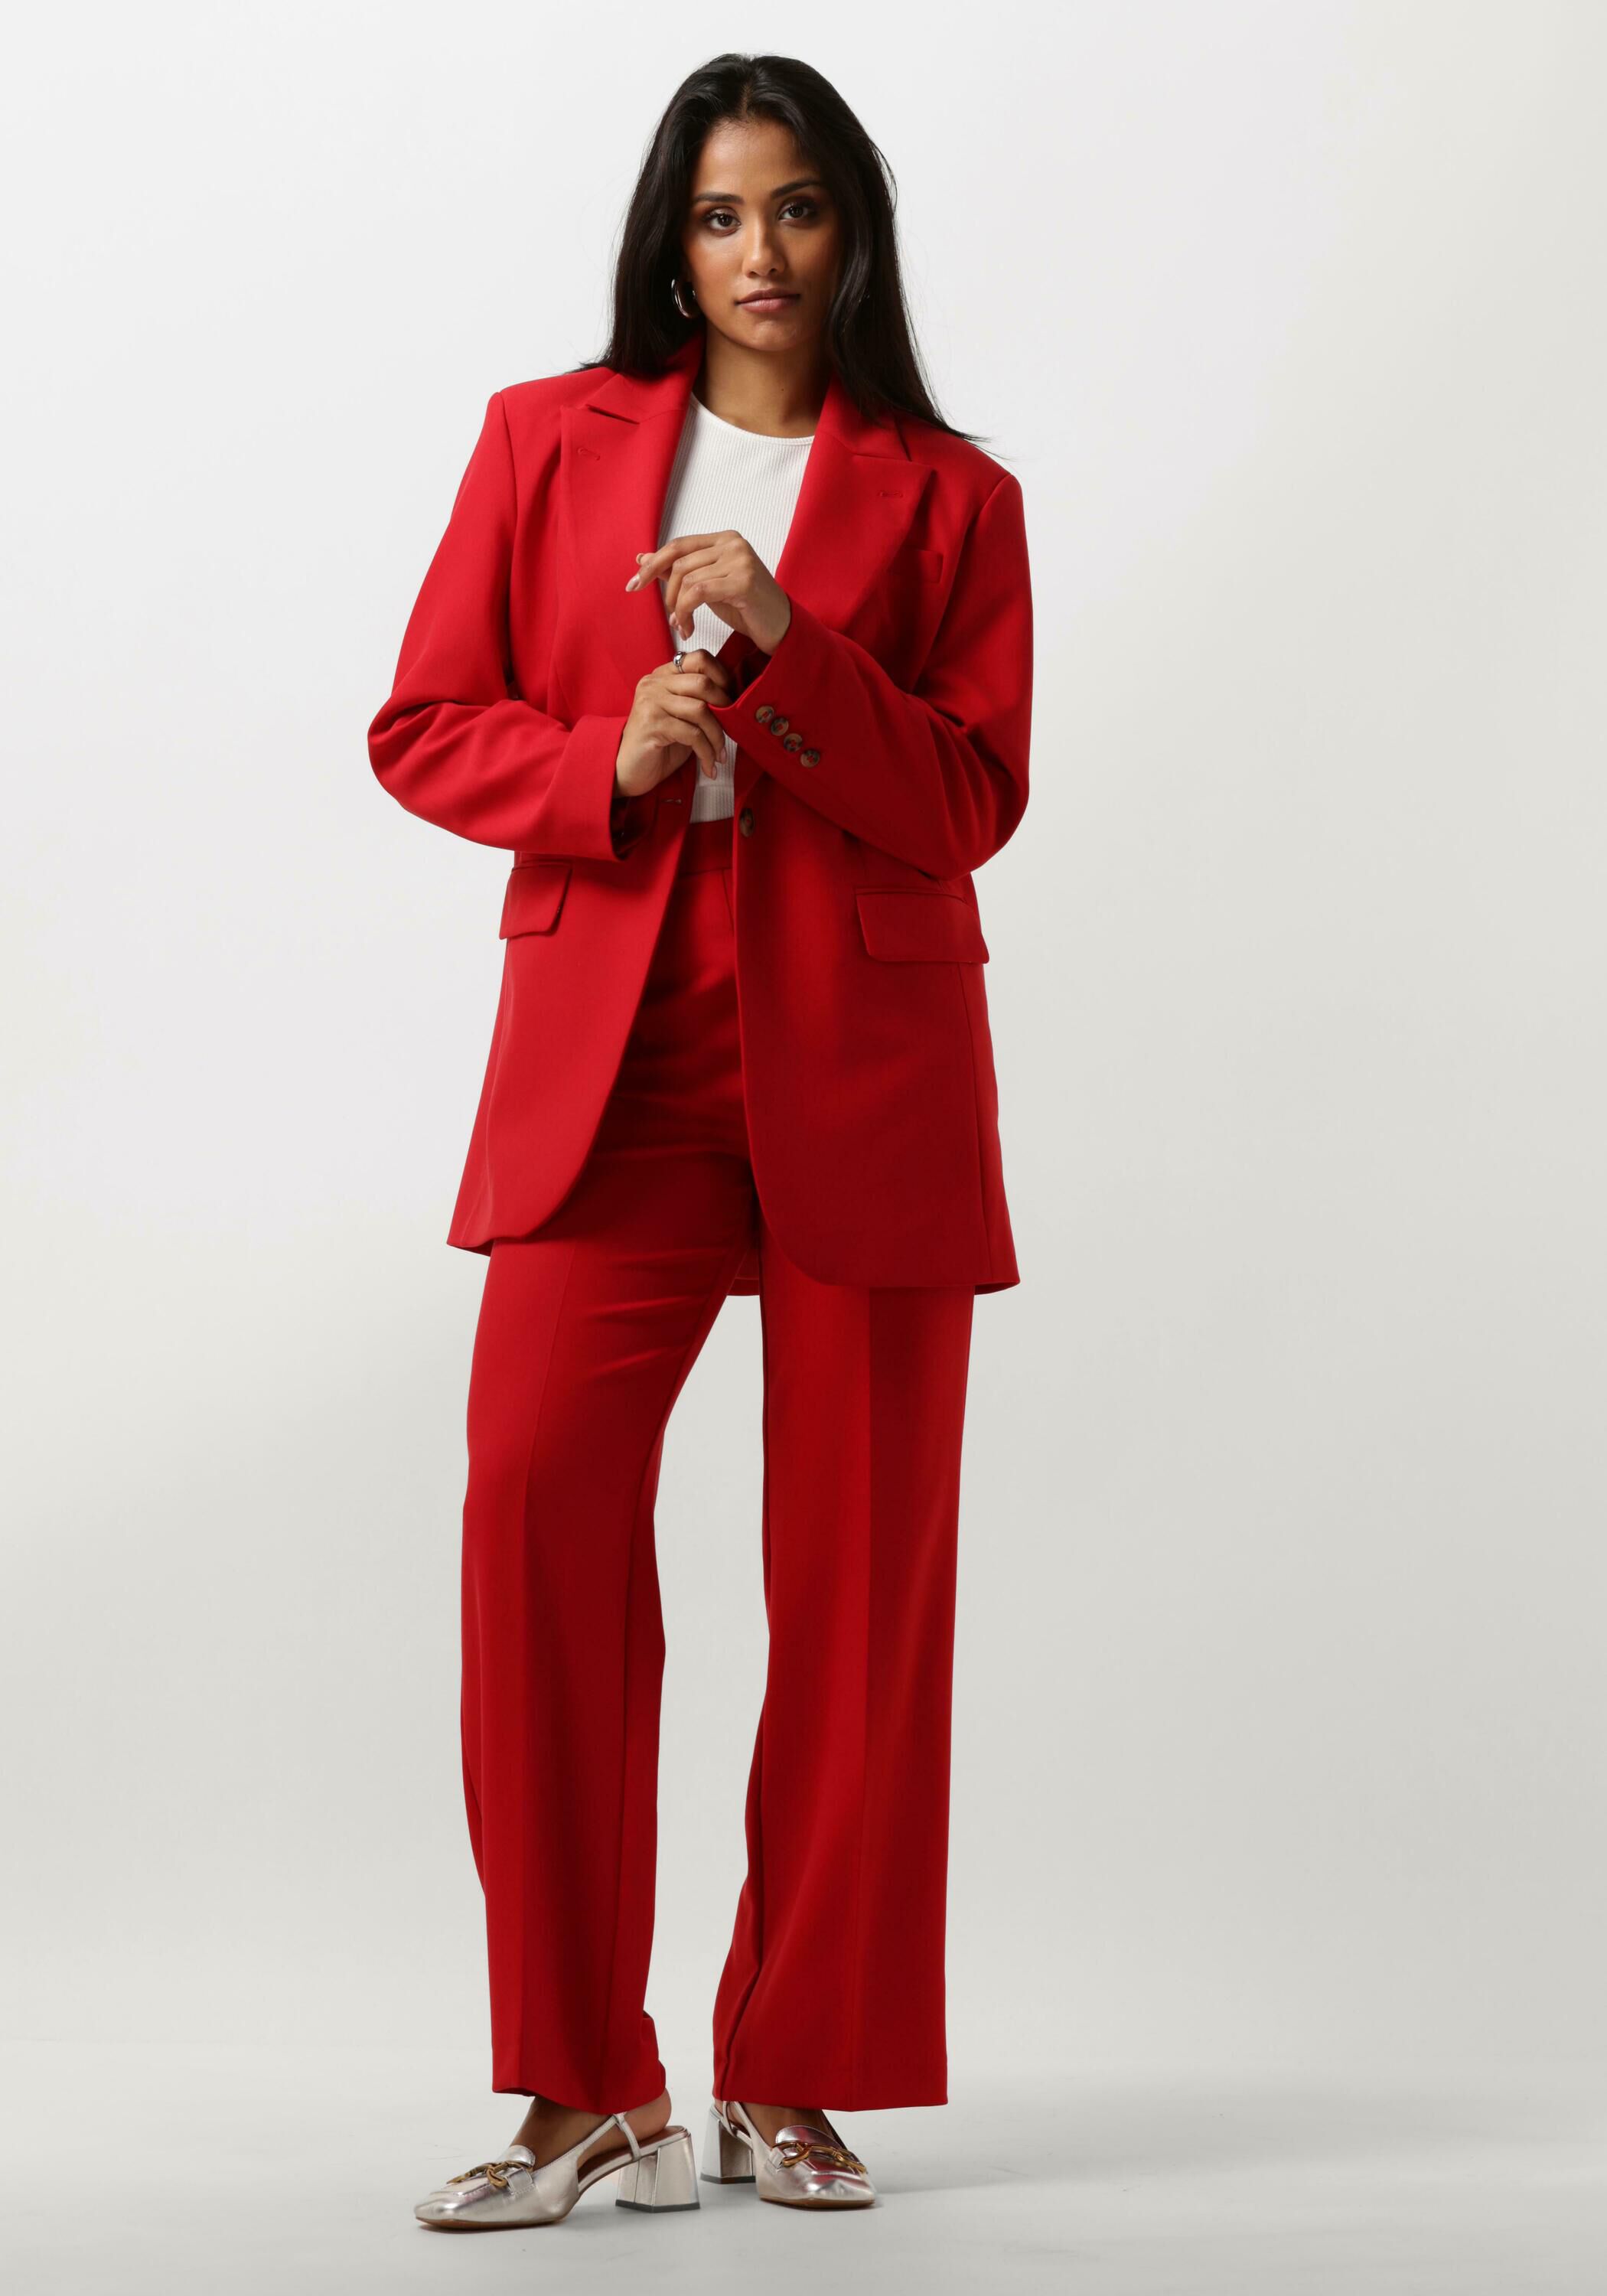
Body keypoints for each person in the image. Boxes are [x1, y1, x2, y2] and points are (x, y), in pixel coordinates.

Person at [367, 49, 1033, 2230]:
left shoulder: (952, 496)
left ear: (855, 233)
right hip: (618, 1070)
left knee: (858, 1589)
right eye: (726, 213)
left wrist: (780, 640)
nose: (763, 252)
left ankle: (797, 2069)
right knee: (533, 1511)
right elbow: (422, 723)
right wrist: (609, 758)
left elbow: (968, 799)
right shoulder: (541, 441)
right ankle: (585, 2085)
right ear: (673, 239)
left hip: (866, 1072)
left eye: (802, 209)